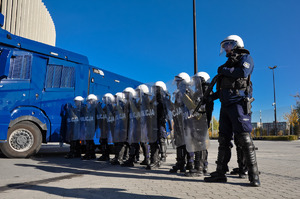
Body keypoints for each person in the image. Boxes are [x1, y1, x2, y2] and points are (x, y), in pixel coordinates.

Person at [204, 35, 260, 187]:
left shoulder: (246, 58)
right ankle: (220, 173)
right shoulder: (228, 63)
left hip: (238, 104)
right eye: (225, 45)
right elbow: (223, 88)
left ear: (237, 45)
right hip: (226, 106)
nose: (226, 47)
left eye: (229, 44)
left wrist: (224, 69)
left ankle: (253, 175)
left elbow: (242, 73)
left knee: (244, 138)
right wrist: (210, 98)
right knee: (223, 140)